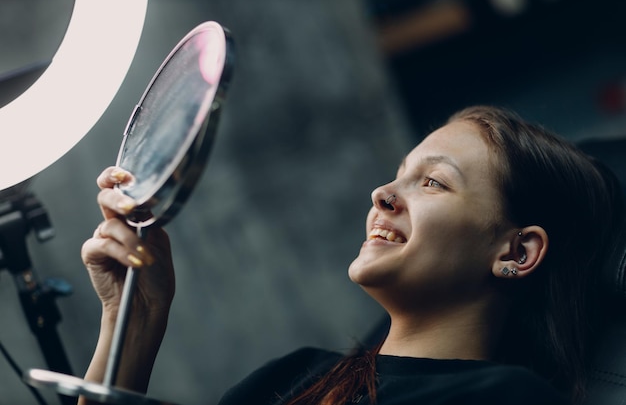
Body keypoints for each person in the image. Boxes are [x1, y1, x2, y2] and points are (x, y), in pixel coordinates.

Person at [78, 105, 624, 405]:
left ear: (517, 250)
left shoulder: (503, 400)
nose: (382, 194)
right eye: (397, 175)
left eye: (433, 182)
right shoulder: (290, 378)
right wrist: (132, 322)